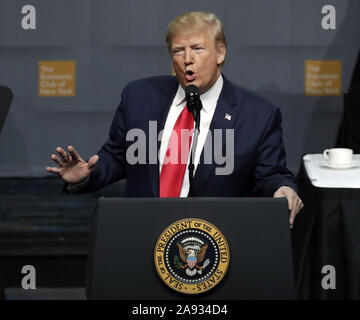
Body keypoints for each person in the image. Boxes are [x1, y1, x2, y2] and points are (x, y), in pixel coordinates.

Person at [46, 11, 303, 227]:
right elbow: (118, 156)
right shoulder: (139, 97)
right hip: (144, 233)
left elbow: (270, 175)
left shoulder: (257, 115)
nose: (187, 59)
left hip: (217, 241)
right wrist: (88, 175)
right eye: (179, 51)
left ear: (220, 53)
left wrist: (282, 189)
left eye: (198, 49)